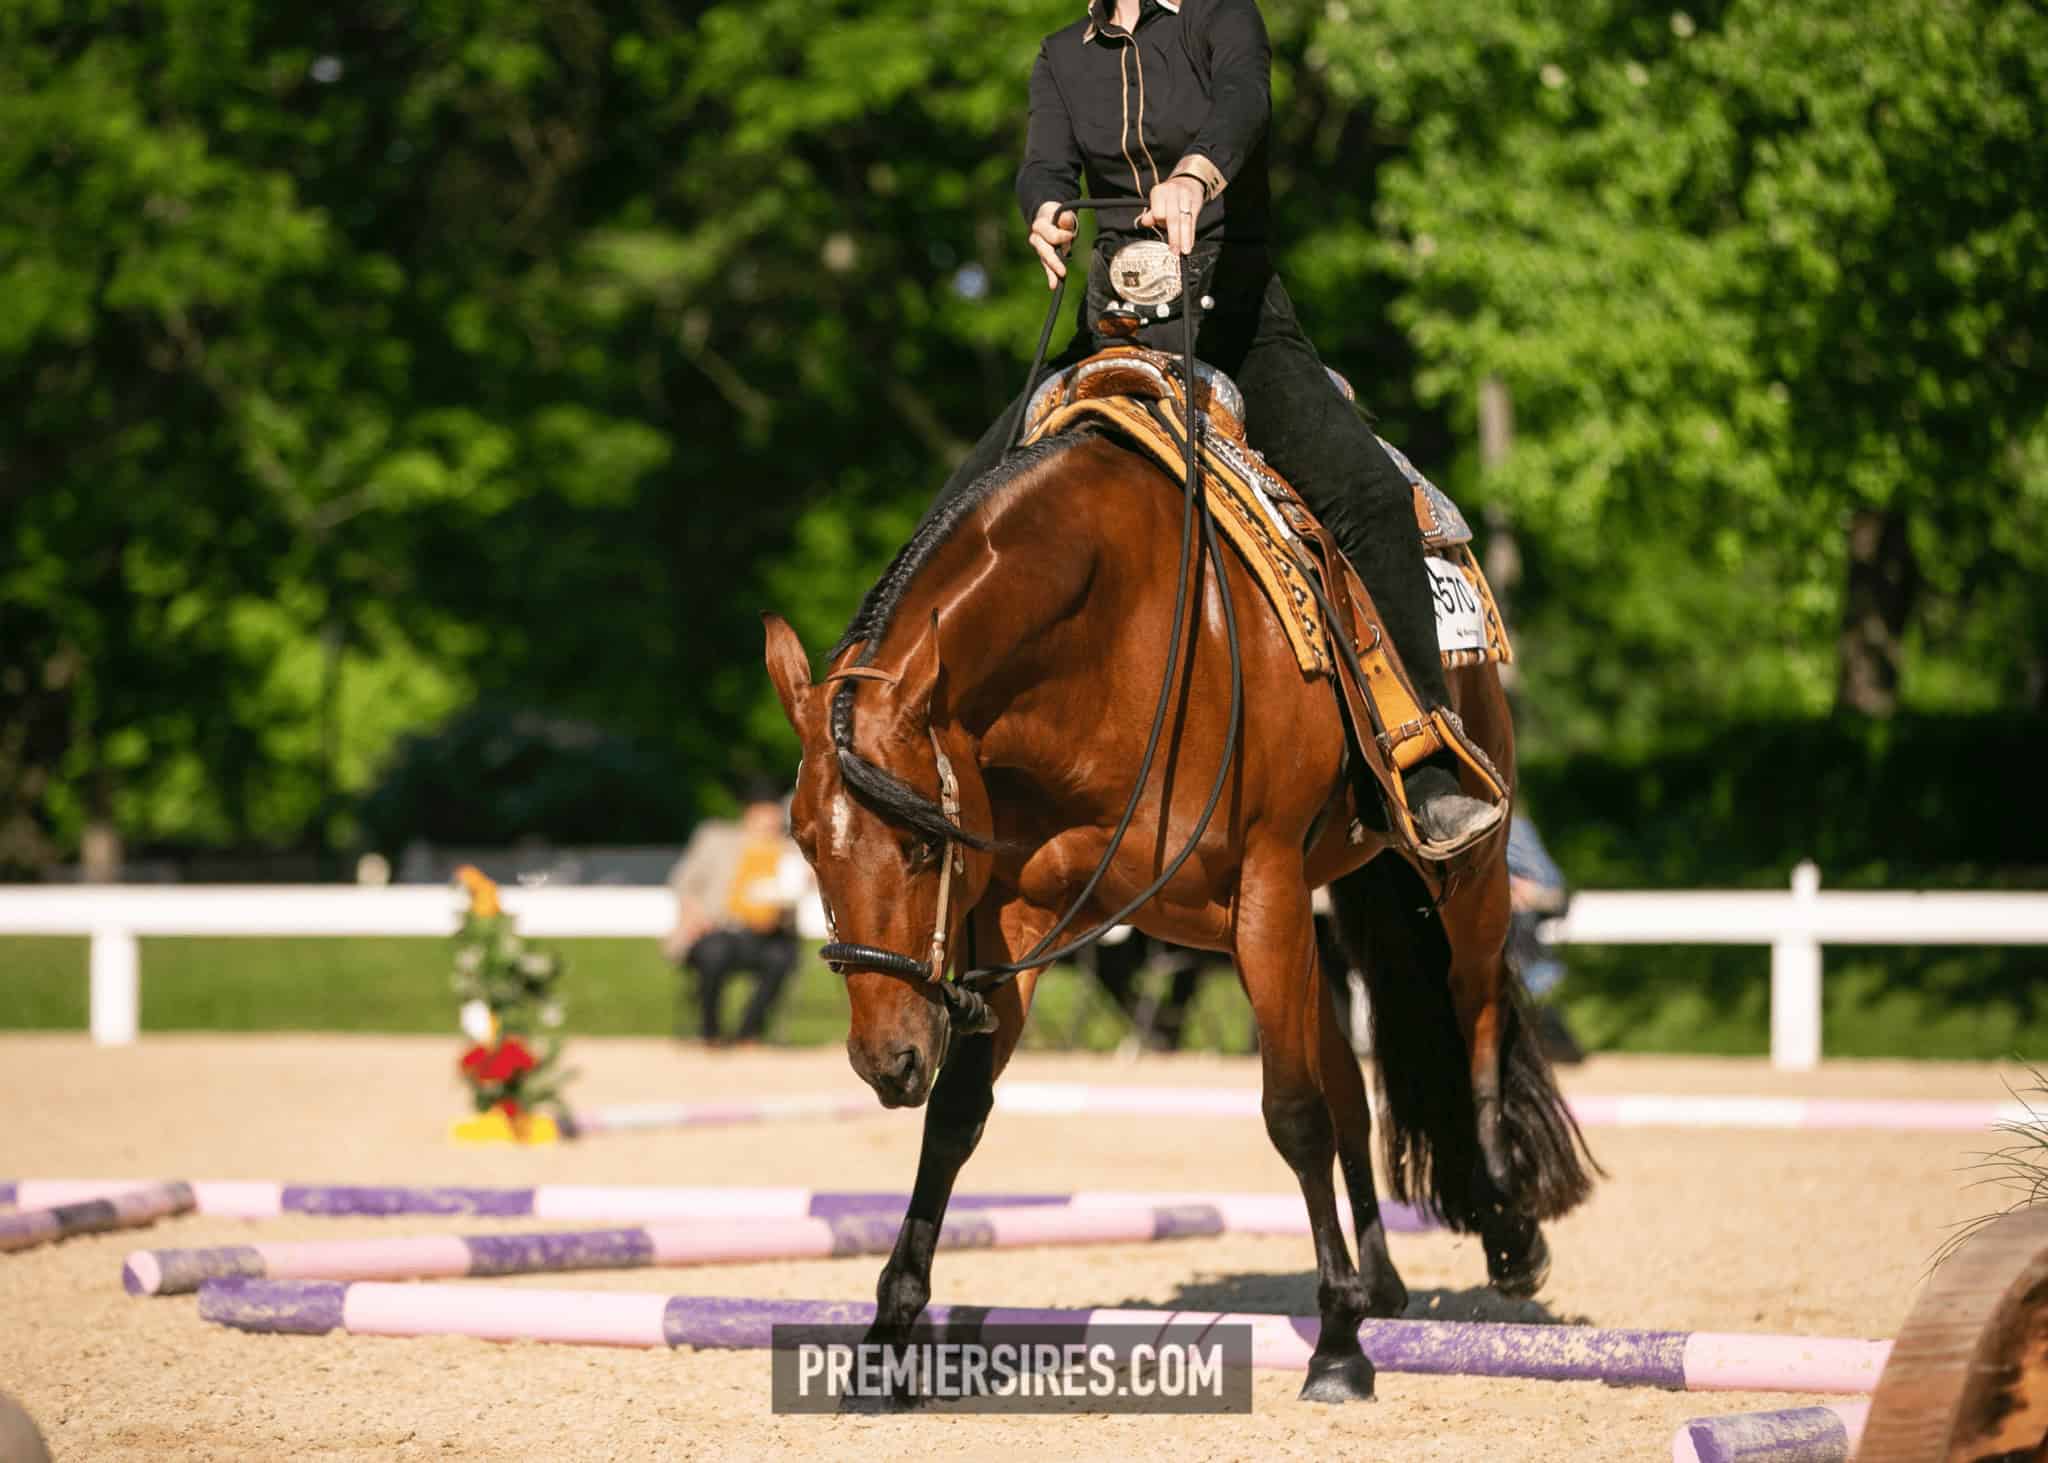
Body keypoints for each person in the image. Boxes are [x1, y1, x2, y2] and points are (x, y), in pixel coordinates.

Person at [941, 0, 1499, 856]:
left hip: (1239, 327)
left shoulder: (1222, 16)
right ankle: (882, 732)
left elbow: (1243, 103)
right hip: (1112, 328)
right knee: (957, 509)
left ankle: (1421, 761)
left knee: (1370, 495)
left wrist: (1195, 175)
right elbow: (1045, 161)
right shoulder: (1060, 55)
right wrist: (1045, 207)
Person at [662, 778, 806, 1045]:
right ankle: (710, 1032)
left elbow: (800, 887)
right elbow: (684, 883)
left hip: (769, 934)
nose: (771, 822)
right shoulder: (716, 839)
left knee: (782, 958)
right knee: (714, 953)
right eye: (765, 814)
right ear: (749, 813)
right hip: (719, 928)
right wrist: (694, 916)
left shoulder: (790, 849)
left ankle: (749, 1031)